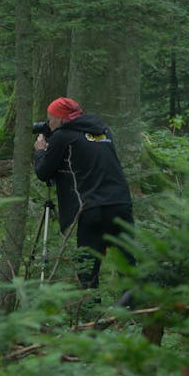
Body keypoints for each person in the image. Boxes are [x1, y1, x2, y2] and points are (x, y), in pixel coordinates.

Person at [33, 97, 134, 289]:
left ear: (62, 119)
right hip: (121, 203)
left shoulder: (63, 136)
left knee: (87, 268)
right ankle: (133, 311)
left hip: (93, 207)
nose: (49, 124)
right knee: (127, 262)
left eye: (51, 119)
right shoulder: (103, 130)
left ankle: (89, 313)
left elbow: (43, 172)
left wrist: (40, 151)